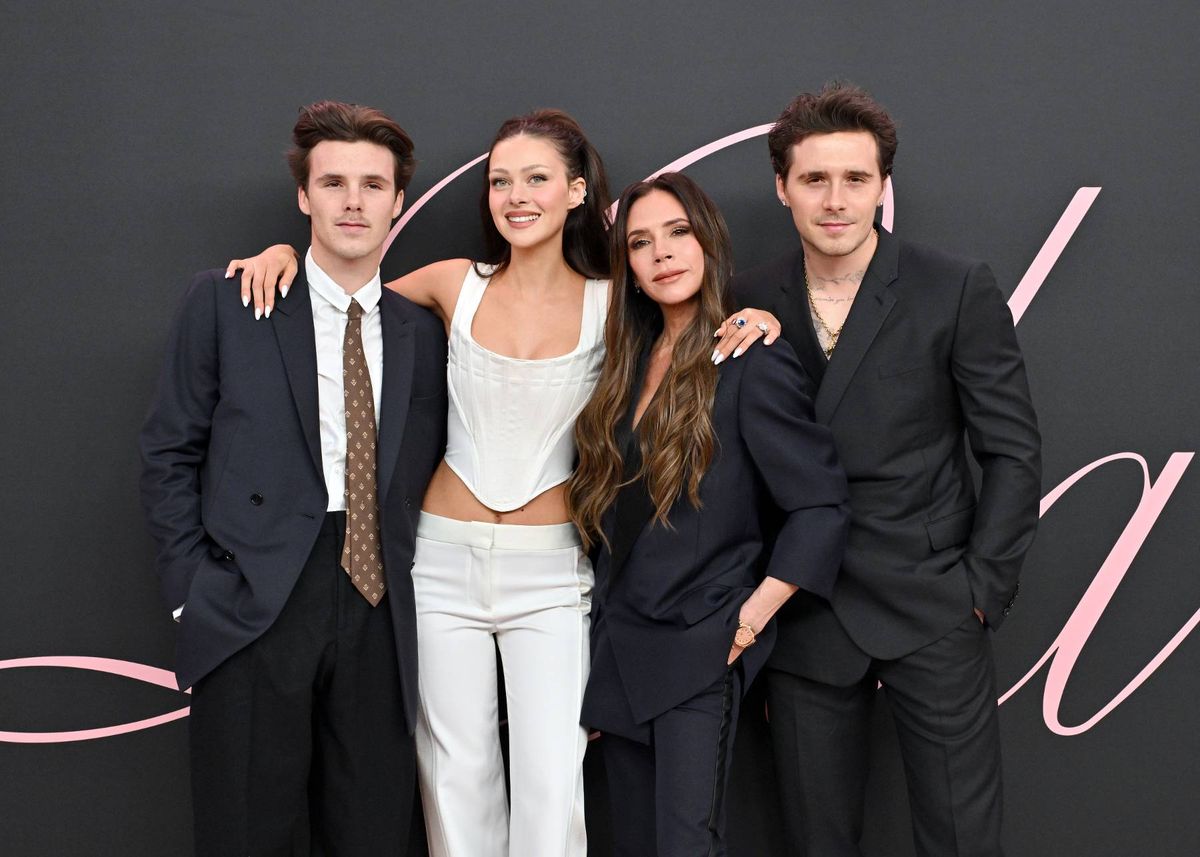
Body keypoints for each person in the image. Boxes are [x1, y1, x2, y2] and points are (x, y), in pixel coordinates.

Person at [226, 110, 783, 857]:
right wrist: (281, 256)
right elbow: (348, 287)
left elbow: (689, 303)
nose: (516, 195)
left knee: (554, 780)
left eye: (537, 178)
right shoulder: (456, 283)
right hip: (442, 565)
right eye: (500, 181)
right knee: (455, 778)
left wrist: (756, 312)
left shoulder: (613, 297)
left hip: (553, 571)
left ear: (576, 190)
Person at [731, 83, 1042, 856]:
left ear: (882, 186)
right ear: (782, 186)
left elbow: (1011, 448)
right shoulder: (744, 297)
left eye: (856, 179)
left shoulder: (953, 285)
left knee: (962, 840)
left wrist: (980, 590)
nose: (835, 200)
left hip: (932, 600)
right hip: (808, 611)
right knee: (817, 842)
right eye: (814, 179)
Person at [140, 100, 446, 856]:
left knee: (374, 829)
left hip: (382, 600)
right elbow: (169, 450)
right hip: (256, 596)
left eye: (372, 184)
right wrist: (191, 595)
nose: (353, 200)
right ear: (303, 197)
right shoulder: (228, 301)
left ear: (399, 200)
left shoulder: (423, 331)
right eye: (333, 182)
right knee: (248, 829)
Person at [567, 172, 849, 857]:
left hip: (702, 644)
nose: (662, 253)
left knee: (685, 844)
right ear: (627, 267)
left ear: (707, 242)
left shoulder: (752, 355)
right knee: (632, 842)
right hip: (623, 648)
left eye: (678, 233)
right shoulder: (624, 366)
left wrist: (749, 620)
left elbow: (821, 505)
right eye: (640, 242)